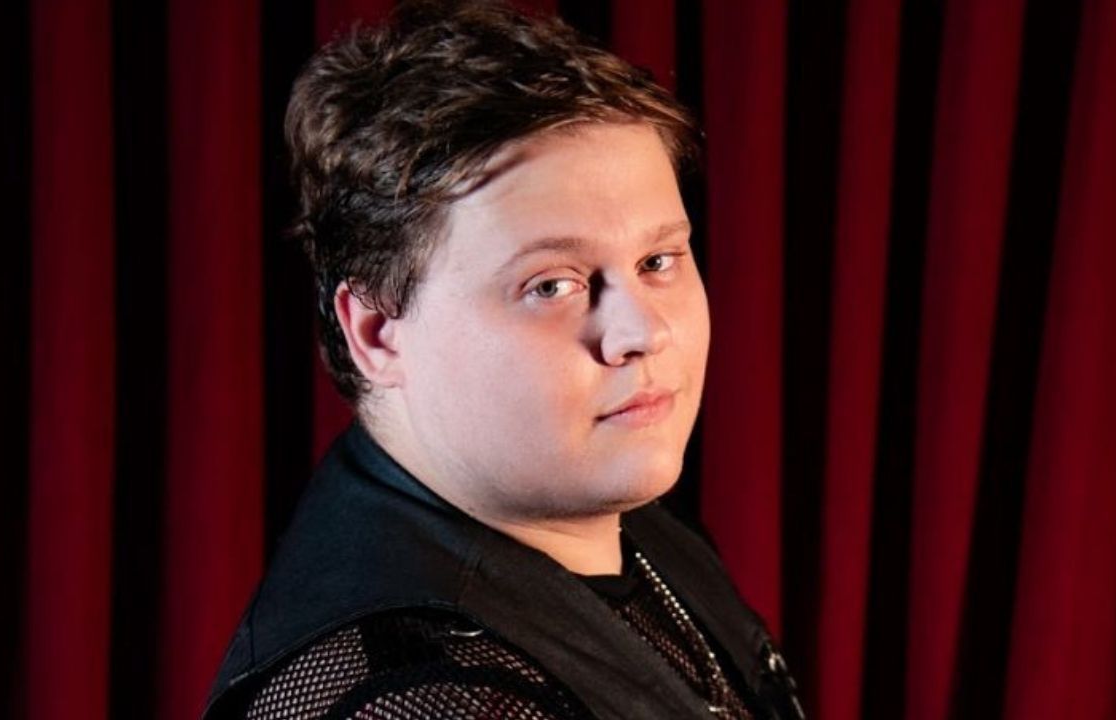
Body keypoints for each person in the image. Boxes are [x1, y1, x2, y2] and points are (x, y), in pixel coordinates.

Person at [203, 2, 804, 718]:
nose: (641, 332)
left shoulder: (618, 522)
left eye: (657, 261)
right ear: (379, 333)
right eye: (551, 285)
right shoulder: (417, 698)